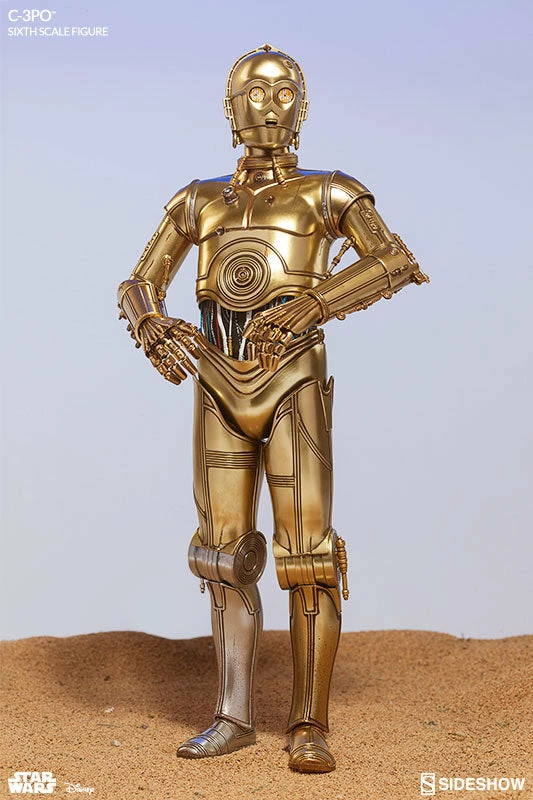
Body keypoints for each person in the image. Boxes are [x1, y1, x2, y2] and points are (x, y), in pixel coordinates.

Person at [117, 44, 428, 773]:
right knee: (222, 553)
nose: (270, 106)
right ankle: (232, 714)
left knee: (308, 553)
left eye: (285, 92)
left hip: (292, 382)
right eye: (254, 93)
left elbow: (394, 260)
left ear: (304, 107)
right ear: (230, 110)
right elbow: (138, 280)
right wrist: (150, 323)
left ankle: (309, 723)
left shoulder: (329, 193)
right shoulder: (198, 200)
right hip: (216, 381)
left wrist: (316, 303)